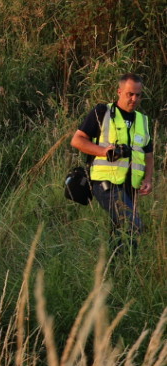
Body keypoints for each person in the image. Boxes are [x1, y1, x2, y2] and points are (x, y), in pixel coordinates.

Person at [70, 74, 154, 243]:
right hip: (105, 183)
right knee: (133, 225)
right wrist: (103, 151)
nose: (134, 99)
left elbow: (148, 153)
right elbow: (77, 140)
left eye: (138, 95)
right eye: (129, 94)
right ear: (119, 91)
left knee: (120, 232)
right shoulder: (102, 112)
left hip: (131, 186)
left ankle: (117, 267)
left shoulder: (142, 120)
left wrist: (148, 178)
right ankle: (125, 265)